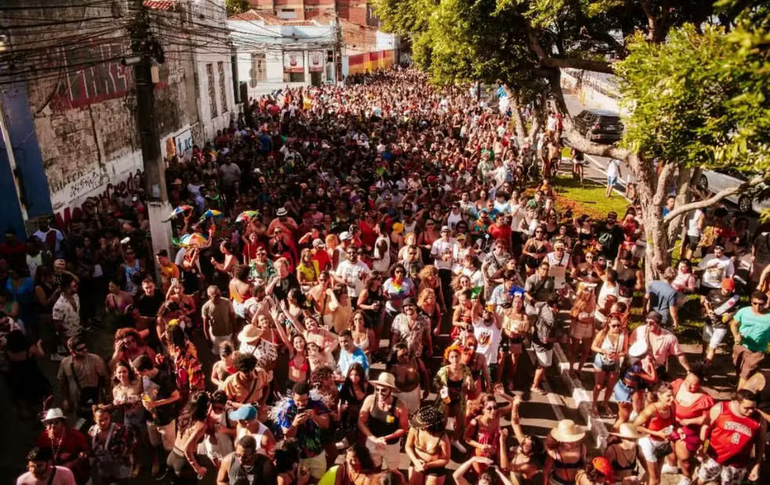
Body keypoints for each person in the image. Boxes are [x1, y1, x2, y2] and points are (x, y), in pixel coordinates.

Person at [697, 389, 765, 485]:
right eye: (747, 408)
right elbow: (706, 428)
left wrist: (756, 465)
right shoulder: (720, 409)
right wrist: (702, 447)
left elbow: (760, 443)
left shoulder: (759, 420)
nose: (751, 411)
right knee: (702, 480)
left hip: (738, 464)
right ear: (737, 403)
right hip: (713, 457)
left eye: (754, 408)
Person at [132, 354, 181, 480]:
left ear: (145, 370)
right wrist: (144, 401)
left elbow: (176, 396)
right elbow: (146, 392)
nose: (137, 374)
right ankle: (159, 463)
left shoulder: (164, 378)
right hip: (151, 417)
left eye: (138, 372)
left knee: (169, 447)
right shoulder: (145, 377)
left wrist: (156, 403)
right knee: (155, 443)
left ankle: (172, 470)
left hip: (165, 418)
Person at [277, 381, 330, 481]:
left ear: (308, 396)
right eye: (298, 401)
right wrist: (295, 424)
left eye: (304, 400)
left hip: (317, 453)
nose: (301, 404)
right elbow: (287, 436)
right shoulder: (287, 409)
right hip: (298, 457)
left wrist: (314, 416)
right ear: (293, 396)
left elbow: (326, 424)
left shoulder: (316, 404)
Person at [358, 372, 409, 471]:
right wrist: (373, 439)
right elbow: (361, 422)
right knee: (374, 469)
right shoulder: (370, 400)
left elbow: (404, 428)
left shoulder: (400, 406)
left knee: (393, 471)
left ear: (391, 390)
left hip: (391, 445)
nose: (380, 393)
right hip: (373, 442)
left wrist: (385, 438)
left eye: (383, 390)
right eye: (377, 389)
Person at [434, 345, 474, 453]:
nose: (455, 359)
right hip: (446, 399)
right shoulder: (443, 370)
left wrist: (470, 384)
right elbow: (435, 382)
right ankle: (440, 441)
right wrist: (441, 389)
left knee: (462, 423)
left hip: (458, 398)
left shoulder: (465, 370)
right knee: (443, 421)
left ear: (460, 356)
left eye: (456, 356)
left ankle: (454, 440)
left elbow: (472, 389)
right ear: (448, 358)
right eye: (452, 357)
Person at [633, 382, 676, 485]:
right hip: (648, 443)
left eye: (673, 395)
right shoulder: (651, 410)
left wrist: (678, 430)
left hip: (663, 443)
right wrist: (656, 433)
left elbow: (673, 423)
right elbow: (635, 426)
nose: (672, 398)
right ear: (659, 395)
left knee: (654, 475)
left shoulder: (672, 406)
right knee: (656, 480)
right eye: (668, 396)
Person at [628, 311, 691, 380]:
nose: (648, 324)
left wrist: (688, 370)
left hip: (657, 370)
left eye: (651, 323)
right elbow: (631, 347)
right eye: (647, 322)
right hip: (640, 370)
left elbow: (679, 354)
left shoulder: (669, 337)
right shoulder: (639, 331)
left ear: (659, 324)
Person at [58, 336, 109, 419]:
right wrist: (65, 399)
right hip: (77, 400)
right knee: (82, 420)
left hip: (95, 398)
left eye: (85, 347)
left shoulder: (95, 360)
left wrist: (107, 395)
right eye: (80, 349)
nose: (84, 350)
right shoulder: (65, 363)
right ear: (72, 351)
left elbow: (106, 378)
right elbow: (62, 382)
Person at [36, 408, 90, 484]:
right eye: (49, 423)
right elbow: (38, 456)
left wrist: (73, 463)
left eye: (56, 422)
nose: (52, 425)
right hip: (51, 475)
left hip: (74, 475)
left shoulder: (75, 435)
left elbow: (85, 453)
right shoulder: (43, 437)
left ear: (62, 423)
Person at [730, 291, 770, 389]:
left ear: (765, 304)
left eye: (760, 304)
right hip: (741, 346)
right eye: (755, 303)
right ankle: (738, 379)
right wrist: (736, 335)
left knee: (747, 371)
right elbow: (734, 324)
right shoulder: (744, 311)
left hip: (757, 350)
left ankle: (739, 395)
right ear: (751, 302)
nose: (757, 307)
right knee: (738, 366)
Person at [590, 315, 627, 417]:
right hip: (601, 361)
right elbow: (593, 346)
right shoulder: (603, 333)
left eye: (618, 325)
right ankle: (594, 404)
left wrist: (617, 355)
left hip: (614, 362)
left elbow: (625, 351)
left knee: (611, 386)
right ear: (609, 325)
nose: (616, 328)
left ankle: (605, 404)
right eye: (613, 326)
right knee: (598, 385)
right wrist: (603, 351)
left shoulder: (623, 334)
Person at [88, 405, 134, 485]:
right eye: (100, 420)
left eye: (106, 419)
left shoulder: (120, 429)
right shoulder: (92, 431)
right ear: (95, 419)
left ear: (110, 417)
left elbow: (132, 441)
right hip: (103, 467)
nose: (103, 422)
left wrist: (126, 456)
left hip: (120, 465)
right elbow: (91, 450)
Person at [405, 406, 451, 485]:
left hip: (435, 468)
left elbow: (445, 459)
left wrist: (428, 465)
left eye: (421, 423)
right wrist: (415, 461)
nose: (418, 424)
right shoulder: (415, 429)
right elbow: (408, 446)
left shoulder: (443, 438)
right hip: (417, 463)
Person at [700, 277, 739, 367]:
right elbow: (706, 302)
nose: (727, 291)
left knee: (713, 346)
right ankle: (703, 355)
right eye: (726, 289)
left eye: (730, 289)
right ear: (721, 287)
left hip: (722, 325)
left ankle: (706, 365)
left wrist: (730, 315)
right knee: (705, 340)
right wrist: (708, 309)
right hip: (710, 320)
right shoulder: (713, 293)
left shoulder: (735, 298)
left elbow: (737, 310)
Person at [528, 294, 561, 395]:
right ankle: (535, 386)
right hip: (542, 344)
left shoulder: (543, 305)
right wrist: (558, 339)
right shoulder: (550, 319)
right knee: (543, 365)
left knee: (539, 361)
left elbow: (535, 303)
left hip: (535, 336)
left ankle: (533, 374)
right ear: (554, 304)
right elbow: (545, 340)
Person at [543, 419, 587, 485]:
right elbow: (546, 470)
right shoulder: (554, 449)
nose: (570, 442)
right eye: (566, 439)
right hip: (556, 482)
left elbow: (584, 466)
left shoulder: (582, 447)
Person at [202, 285, 237, 355]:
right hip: (216, 336)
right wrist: (208, 339)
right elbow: (205, 326)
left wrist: (235, 333)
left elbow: (233, 318)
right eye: (216, 296)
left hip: (228, 334)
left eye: (219, 294)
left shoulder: (227, 302)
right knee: (218, 354)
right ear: (209, 296)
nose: (219, 297)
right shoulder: (205, 307)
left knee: (230, 354)